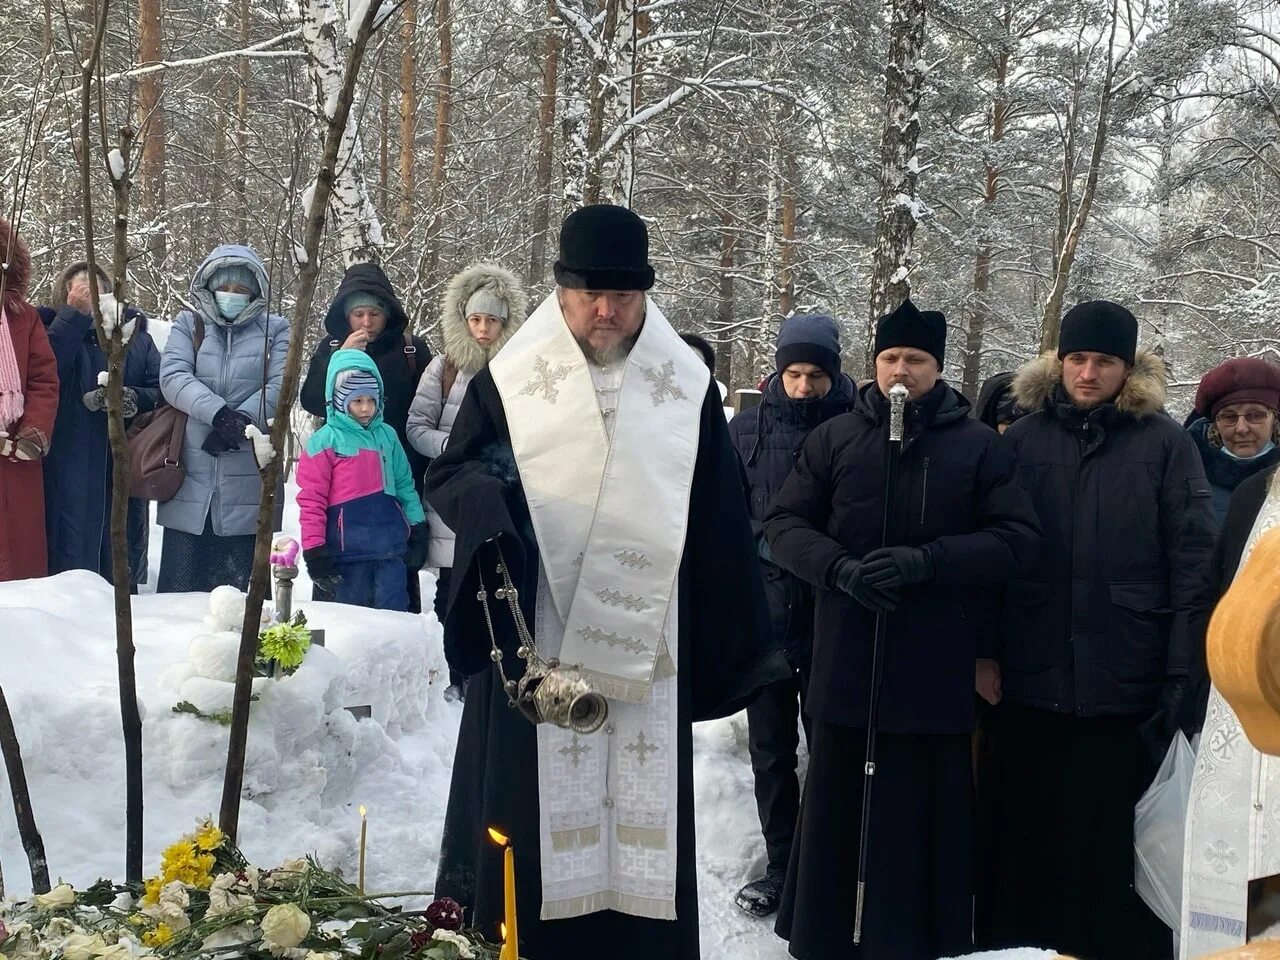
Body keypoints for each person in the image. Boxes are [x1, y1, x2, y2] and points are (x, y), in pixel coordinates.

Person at [424, 204, 785, 959]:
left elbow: (720, 513)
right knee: (532, 815)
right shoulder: (516, 378)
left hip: (650, 636)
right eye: (590, 293)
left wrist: (734, 638)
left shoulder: (683, 387)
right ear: (561, 292)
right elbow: (452, 470)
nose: (605, 310)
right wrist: (491, 507)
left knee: (642, 813)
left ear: (646, 296)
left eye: (622, 296)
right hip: (543, 638)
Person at [765, 300, 1040, 959]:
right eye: (890, 357)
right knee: (837, 805)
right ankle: (826, 934)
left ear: (937, 368)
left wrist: (929, 562)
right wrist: (838, 569)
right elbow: (783, 526)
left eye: (914, 360)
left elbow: (1017, 539)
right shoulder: (835, 437)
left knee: (918, 813)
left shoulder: (976, 446)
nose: (900, 371)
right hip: (848, 659)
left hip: (933, 666)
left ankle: (911, 935)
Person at [976, 300, 1217, 960]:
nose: (1087, 372)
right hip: (1031, 674)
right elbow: (990, 552)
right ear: (1059, 362)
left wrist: (1179, 674)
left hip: (1124, 677)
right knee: (1028, 834)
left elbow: (1192, 562)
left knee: (1108, 841)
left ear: (1127, 368)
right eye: (1076, 358)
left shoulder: (1165, 446)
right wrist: (985, 651)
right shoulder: (1022, 440)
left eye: (1103, 361)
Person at [726, 313, 855, 917]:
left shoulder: (862, 426)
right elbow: (720, 512)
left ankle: (828, 863)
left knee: (832, 745)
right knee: (772, 748)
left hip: (836, 613)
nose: (804, 387)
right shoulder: (746, 429)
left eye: (817, 375)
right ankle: (782, 864)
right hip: (765, 612)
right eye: (795, 373)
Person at [407, 262, 527, 701]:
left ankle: (486, 675)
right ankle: (450, 671)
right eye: (475, 320)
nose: (482, 329)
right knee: (450, 587)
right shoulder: (444, 367)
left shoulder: (519, 369)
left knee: (494, 583)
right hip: (452, 494)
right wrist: (453, 454)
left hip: (499, 493)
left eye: (491, 321)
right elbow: (417, 425)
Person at [156, 245, 289, 593]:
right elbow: (173, 377)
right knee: (177, 608)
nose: (232, 296)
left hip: (249, 479)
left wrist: (241, 423)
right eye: (225, 288)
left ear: (255, 293)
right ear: (210, 287)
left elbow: (281, 385)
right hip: (190, 477)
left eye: (241, 289)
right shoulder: (190, 324)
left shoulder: (276, 331)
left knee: (239, 606)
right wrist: (218, 415)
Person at [301, 263, 432, 610]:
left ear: (388, 313)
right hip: (345, 485)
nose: (367, 322)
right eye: (358, 313)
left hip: (397, 472)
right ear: (346, 315)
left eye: (374, 313)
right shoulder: (331, 346)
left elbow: (428, 407)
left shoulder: (410, 349)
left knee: (395, 594)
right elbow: (312, 400)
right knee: (344, 604)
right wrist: (339, 354)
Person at [39, 261, 161, 588]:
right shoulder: (50, 328)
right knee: (67, 555)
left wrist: (130, 398)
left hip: (119, 465)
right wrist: (73, 317)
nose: (90, 297)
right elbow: (44, 373)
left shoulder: (134, 337)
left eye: (97, 289)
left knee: (117, 557)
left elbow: (160, 387)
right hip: (64, 464)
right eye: (78, 290)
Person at [0, 218, 58, 582]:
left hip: (15, 457)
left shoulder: (25, 318)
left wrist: (34, 432)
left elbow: (44, 380)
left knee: (18, 566)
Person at [1185, 356, 1280, 522]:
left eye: (1255, 415)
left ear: (1275, 420)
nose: (1241, 428)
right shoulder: (1185, 479)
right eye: (1229, 417)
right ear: (1215, 425)